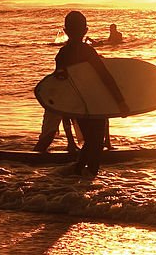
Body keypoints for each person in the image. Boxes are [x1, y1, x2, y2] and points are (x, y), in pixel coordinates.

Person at [44, 11, 128, 176]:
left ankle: (78, 175)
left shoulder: (62, 54)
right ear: (86, 30)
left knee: (92, 143)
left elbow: (61, 83)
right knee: (95, 144)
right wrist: (120, 101)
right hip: (96, 102)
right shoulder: (88, 51)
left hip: (78, 105)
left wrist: (64, 108)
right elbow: (105, 76)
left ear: (65, 30)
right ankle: (83, 178)